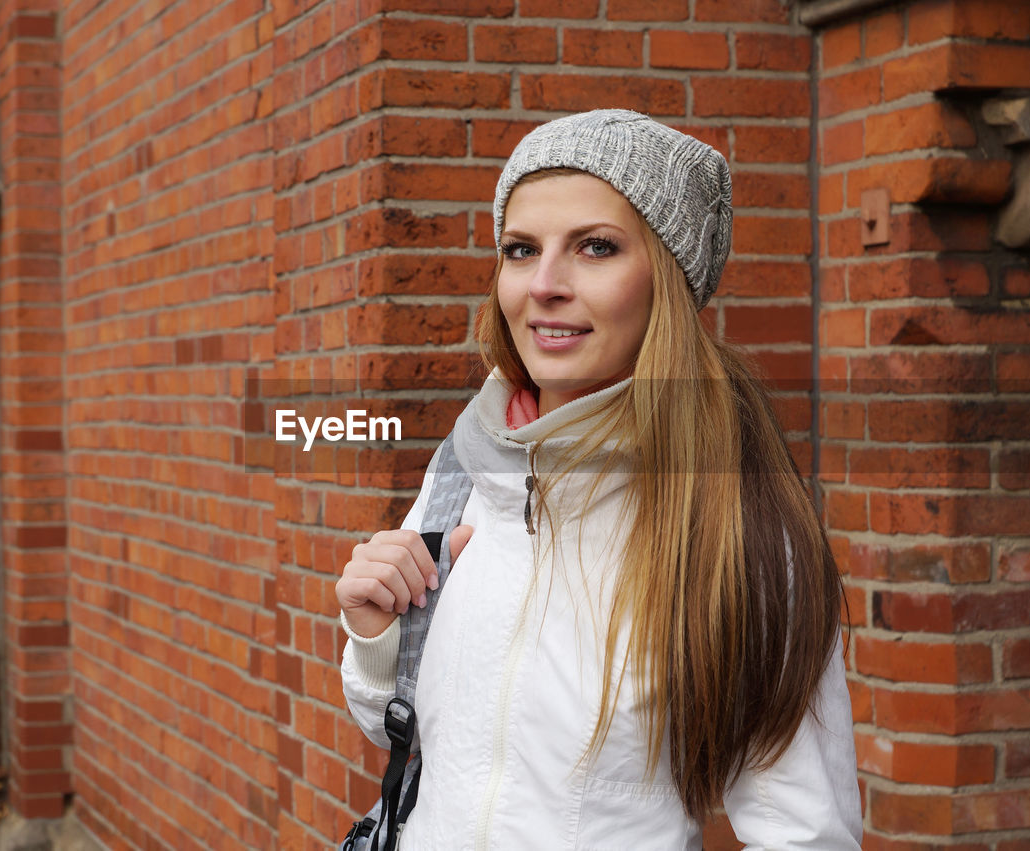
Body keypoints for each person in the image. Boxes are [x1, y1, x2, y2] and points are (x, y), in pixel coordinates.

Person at [335, 109, 862, 849]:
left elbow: (805, 833)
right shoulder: (464, 472)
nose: (545, 283)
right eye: (521, 249)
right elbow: (417, 735)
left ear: (667, 284)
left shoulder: (734, 531)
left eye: (596, 247)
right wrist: (376, 634)